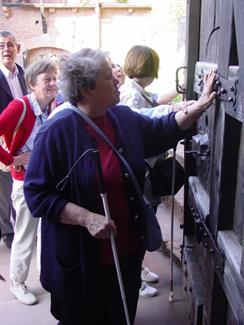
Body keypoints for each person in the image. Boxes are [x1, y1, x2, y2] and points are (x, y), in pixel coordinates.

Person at [23, 48, 215, 325]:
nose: (117, 79)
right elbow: (37, 196)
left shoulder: (121, 118)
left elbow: (162, 130)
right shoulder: (56, 132)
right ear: (87, 88)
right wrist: (87, 218)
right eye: (107, 76)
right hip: (81, 265)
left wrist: (195, 109)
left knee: (120, 316)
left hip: (124, 254)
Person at [119, 45, 191, 297]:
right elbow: (147, 117)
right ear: (148, 69)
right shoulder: (130, 95)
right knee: (138, 226)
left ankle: (137, 268)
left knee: (142, 221)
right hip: (142, 173)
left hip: (147, 170)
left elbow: (158, 100)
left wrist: (181, 90)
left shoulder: (137, 90)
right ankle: (133, 277)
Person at [0, 57, 58, 305]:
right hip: (25, 182)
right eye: (48, 79)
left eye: (55, 78)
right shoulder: (20, 106)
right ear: (33, 84)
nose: (54, 83)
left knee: (47, 233)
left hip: (49, 181)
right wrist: (11, 159)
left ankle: (47, 277)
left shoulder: (52, 106)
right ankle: (17, 282)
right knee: (25, 232)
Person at [0, 31, 28, 249]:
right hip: (2, 140)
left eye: (10, 45)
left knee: (21, 185)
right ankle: (7, 232)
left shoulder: (24, 75)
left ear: (17, 48)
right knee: (3, 188)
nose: (6, 49)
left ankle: (23, 225)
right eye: (1, 46)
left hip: (25, 139)